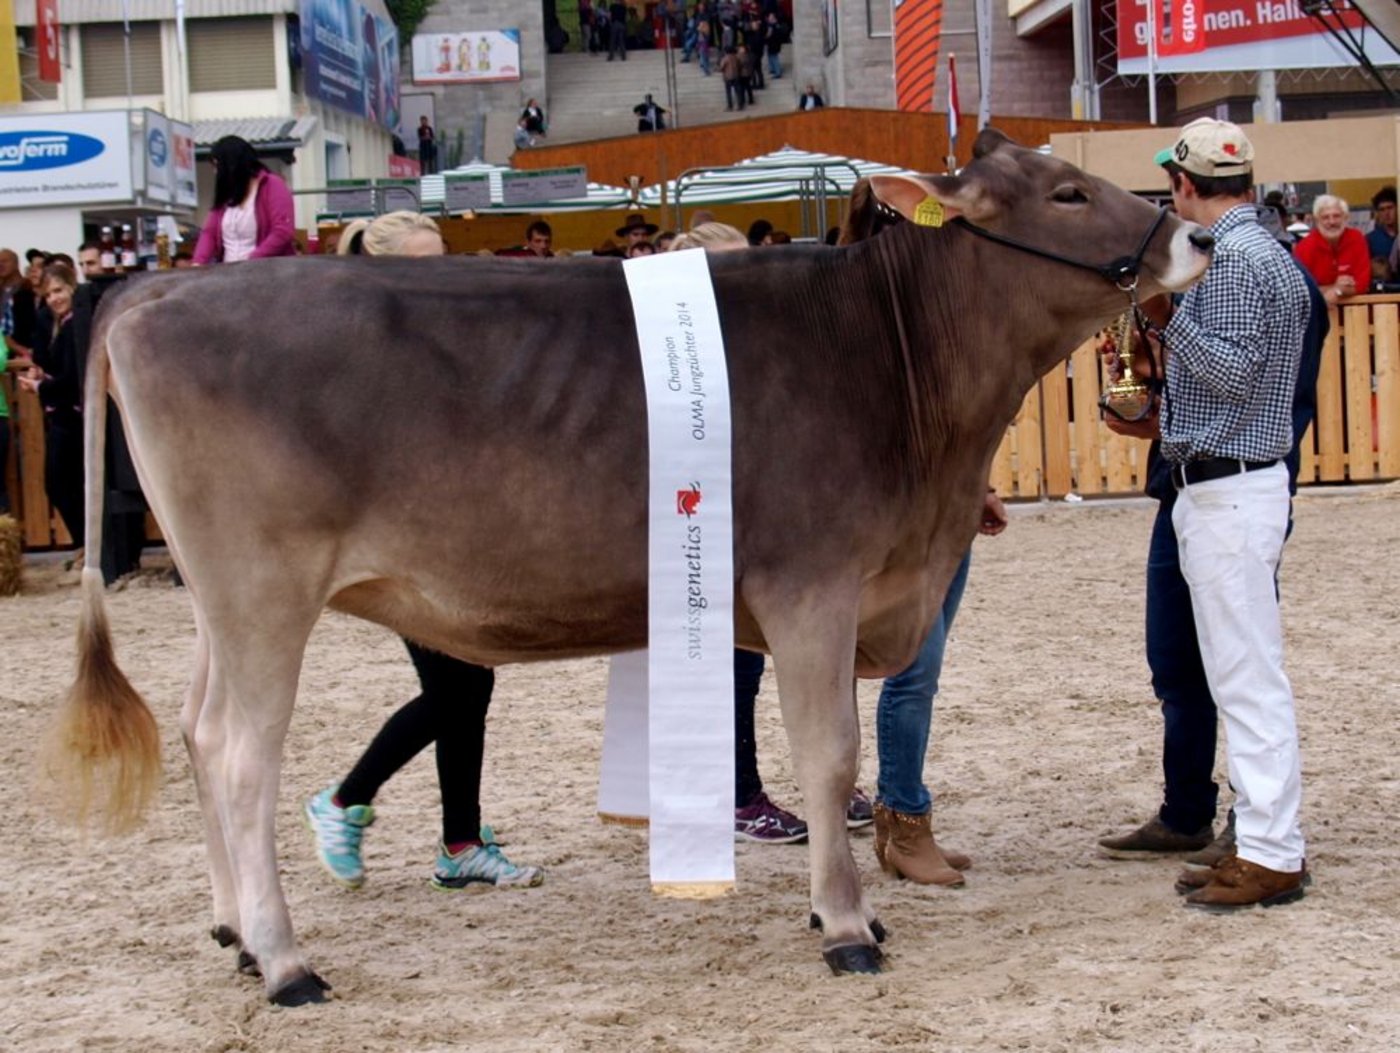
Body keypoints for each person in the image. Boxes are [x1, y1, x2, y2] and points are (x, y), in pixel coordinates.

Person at [304, 211, 543, 892]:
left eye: (443, 258)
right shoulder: (368, 343)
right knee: (456, 686)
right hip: (404, 537)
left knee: (468, 682)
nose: (442, 273)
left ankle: (460, 842)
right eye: (422, 261)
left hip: (452, 530)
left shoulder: (434, 334)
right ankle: (346, 800)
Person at [1110, 118, 1311, 911]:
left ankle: (1272, 852)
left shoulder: (1228, 258)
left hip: (1228, 489)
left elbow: (1229, 374)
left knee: (1247, 678)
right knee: (1243, 675)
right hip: (1236, 480)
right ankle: (1265, 839)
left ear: (1184, 186)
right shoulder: (1266, 250)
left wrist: (1165, 315)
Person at [17, 262, 83, 549]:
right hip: (62, 413)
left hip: (73, 414)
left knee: (62, 483)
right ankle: (85, 543)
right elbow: (53, 364)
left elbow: (72, 379)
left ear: (71, 287)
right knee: (60, 485)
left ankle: (88, 543)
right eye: (48, 294)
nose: (54, 298)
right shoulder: (56, 324)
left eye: (58, 290)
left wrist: (40, 386)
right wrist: (41, 374)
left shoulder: (76, 325)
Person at [193, 135, 296, 264]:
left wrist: (252, 260)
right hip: (229, 274)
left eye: (217, 166)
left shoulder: (272, 185)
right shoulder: (227, 195)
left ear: (231, 165)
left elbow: (282, 231)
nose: (215, 172)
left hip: (268, 272)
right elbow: (209, 233)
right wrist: (198, 262)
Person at [1292, 194, 1369, 306]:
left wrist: (1337, 291)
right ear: (1317, 220)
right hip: (1320, 316)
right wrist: (1337, 288)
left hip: (1355, 315)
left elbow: (1362, 284)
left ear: (1346, 217)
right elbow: (1301, 289)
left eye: (1336, 216)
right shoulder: (1304, 247)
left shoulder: (1356, 239)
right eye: (1325, 217)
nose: (1332, 222)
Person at [1365, 186, 1396, 285]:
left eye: (1390, 208)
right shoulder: (1370, 239)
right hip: (1383, 291)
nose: (1386, 213)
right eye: (1382, 210)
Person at [720, 45, 744, 111]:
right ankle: (740, 105)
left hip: (728, 77)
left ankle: (730, 106)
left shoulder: (725, 58)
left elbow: (721, 67)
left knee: (728, 92)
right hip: (736, 76)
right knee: (738, 91)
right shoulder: (736, 57)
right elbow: (740, 65)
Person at [763, 11, 786, 79]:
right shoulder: (776, 25)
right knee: (771, 56)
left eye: (771, 17)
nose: (769, 18)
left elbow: (769, 34)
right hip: (775, 44)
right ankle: (772, 69)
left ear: (774, 18)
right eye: (769, 17)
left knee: (774, 57)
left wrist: (765, 37)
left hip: (773, 44)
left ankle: (777, 72)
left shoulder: (772, 26)